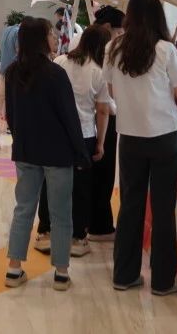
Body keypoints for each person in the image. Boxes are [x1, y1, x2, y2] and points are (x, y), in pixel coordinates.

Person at [105, 0, 177, 295]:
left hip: (129, 137)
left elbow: (112, 92)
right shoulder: (166, 49)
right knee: (163, 208)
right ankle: (163, 281)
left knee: (130, 206)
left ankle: (124, 275)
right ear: (158, 16)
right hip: (165, 136)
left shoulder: (113, 48)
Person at [4, 17, 90, 292]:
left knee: (23, 209)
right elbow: (69, 117)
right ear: (41, 40)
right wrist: (80, 152)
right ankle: (61, 273)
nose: (55, 38)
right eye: (51, 34)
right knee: (61, 212)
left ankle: (14, 269)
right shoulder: (55, 74)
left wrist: (20, 140)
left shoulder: (13, 72)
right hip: (57, 153)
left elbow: (11, 115)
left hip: (26, 151)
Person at [34, 23, 112, 258]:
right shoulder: (98, 72)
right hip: (84, 134)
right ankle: (78, 237)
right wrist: (100, 142)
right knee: (81, 188)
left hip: (55, 133)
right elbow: (102, 111)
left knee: (50, 183)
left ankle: (45, 232)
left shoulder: (59, 62)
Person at [88, 4, 124, 241]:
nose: (122, 36)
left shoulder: (85, 43)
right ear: (109, 27)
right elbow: (104, 101)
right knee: (103, 173)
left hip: (88, 120)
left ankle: (91, 223)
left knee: (93, 175)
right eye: (120, 31)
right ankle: (100, 227)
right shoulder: (104, 49)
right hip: (102, 118)